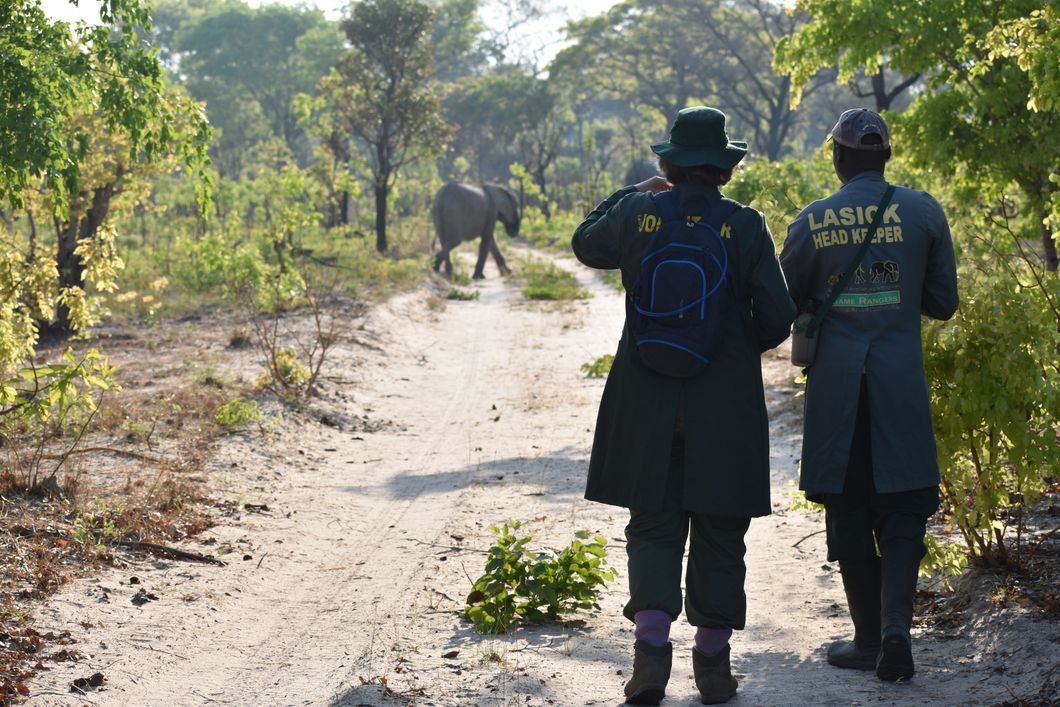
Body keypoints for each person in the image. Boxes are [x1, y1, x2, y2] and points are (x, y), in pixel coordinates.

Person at [571, 106, 795, 705]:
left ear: (668, 163)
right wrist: (729, 345)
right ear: (724, 168)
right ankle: (714, 668)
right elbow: (777, 315)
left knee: (651, 523)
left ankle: (650, 661)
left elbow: (584, 245)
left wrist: (632, 193)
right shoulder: (745, 225)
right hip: (724, 401)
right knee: (722, 526)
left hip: (645, 397)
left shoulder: (639, 214)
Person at [779, 108, 959, 682]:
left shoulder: (813, 221)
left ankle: (864, 640)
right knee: (905, 504)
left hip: (838, 393)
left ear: (837, 157)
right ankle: (896, 633)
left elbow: (786, 304)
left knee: (850, 505)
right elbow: (942, 303)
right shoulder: (924, 211)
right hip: (899, 384)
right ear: (885, 155)